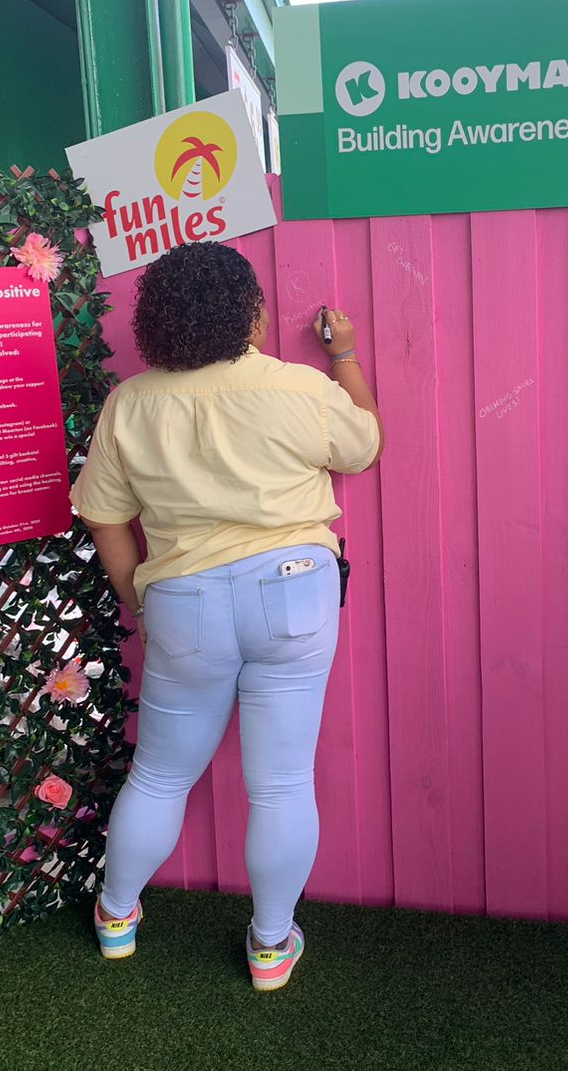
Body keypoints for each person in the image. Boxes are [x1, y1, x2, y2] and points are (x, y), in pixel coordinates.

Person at [70, 241, 381, 991]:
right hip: (295, 590)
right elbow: (364, 446)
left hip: (184, 599)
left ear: (159, 320)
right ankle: (270, 946)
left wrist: (136, 599)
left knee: (158, 775)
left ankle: (116, 917)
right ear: (251, 315)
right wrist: (344, 356)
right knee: (281, 785)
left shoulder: (131, 403)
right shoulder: (297, 386)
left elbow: (104, 514)